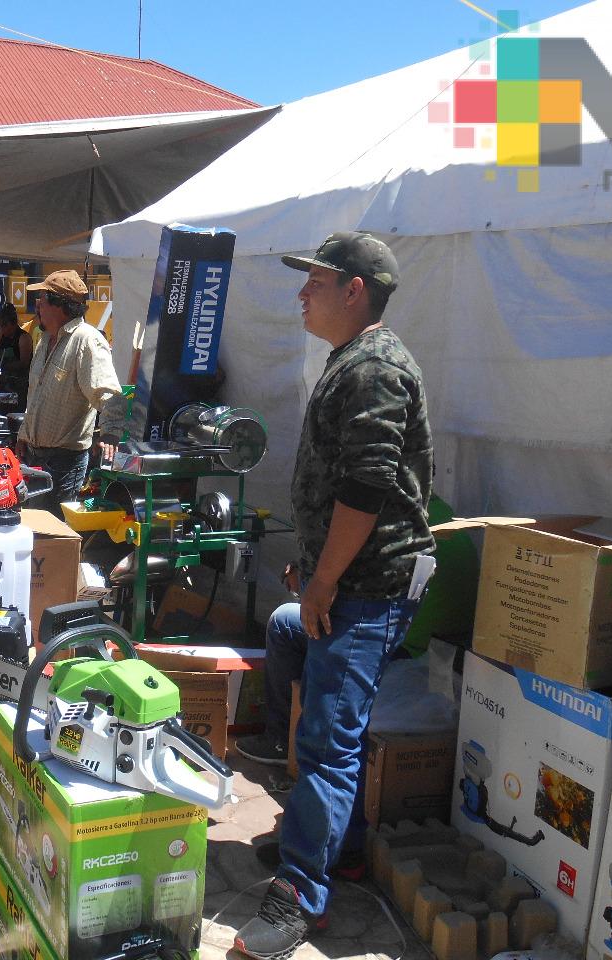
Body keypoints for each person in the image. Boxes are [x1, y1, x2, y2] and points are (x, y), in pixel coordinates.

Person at [232, 232, 434, 960]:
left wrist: (325, 578)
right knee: (289, 638)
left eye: (314, 281)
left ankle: (299, 898)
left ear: (355, 290)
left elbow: (368, 487)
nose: (301, 293)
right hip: (347, 579)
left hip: (370, 588)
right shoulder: (352, 360)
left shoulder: (374, 368)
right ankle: (328, 845)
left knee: (327, 741)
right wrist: (313, 572)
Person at [15, 270, 125, 516]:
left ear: (59, 305)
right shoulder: (45, 340)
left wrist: (110, 433)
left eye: (43, 297)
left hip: (64, 464)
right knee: (35, 531)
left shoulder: (87, 341)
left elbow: (110, 394)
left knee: (56, 537)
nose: (38, 303)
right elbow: (36, 395)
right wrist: (25, 434)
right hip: (36, 457)